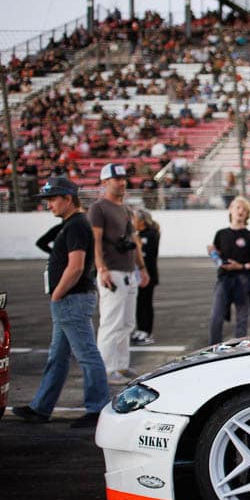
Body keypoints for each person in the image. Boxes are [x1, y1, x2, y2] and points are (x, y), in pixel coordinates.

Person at [11, 177, 109, 430]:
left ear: (67, 198)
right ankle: (41, 408)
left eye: (52, 199)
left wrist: (57, 294)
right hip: (71, 298)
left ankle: (98, 408)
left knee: (87, 354)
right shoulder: (72, 224)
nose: (48, 205)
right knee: (58, 356)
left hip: (71, 298)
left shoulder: (76, 225)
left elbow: (76, 267)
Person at [89, 163, 149, 382]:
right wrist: (101, 268)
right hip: (111, 271)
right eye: (117, 179)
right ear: (105, 182)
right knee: (111, 323)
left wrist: (141, 268)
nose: (122, 183)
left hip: (127, 271)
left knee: (127, 323)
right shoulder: (99, 208)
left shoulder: (125, 209)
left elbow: (134, 242)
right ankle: (105, 369)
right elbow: (95, 240)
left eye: (124, 179)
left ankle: (121, 365)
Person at [208, 196, 250, 345]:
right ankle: (213, 350)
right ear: (230, 209)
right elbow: (217, 257)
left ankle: (238, 352)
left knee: (242, 321)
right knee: (216, 318)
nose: (241, 211)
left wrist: (241, 266)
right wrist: (213, 254)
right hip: (224, 279)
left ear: (248, 214)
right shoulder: (221, 234)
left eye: (245, 209)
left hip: (243, 281)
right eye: (238, 207)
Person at [131, 209, 160, 345]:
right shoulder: (138, 234)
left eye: (135, 219)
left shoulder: (151, 234)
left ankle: (147, 331)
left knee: (146, 303)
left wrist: (136, 241)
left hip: (149, 274)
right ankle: (141, 328)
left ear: (142, 221)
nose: (133, 222)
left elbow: (147, 252)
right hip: (137, 275)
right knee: (138, 303)